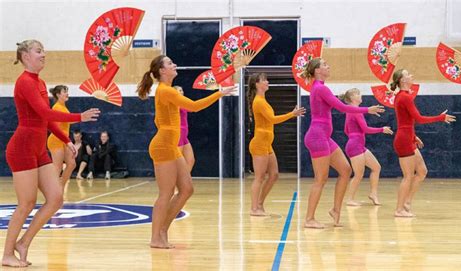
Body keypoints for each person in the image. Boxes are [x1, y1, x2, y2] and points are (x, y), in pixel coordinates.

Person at [2, 40, 99, 267]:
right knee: (26, 203)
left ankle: (23, 243)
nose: (43, 54)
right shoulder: (24, 82)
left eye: (43, 50)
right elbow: (46, 111)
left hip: (38, 148)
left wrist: (66, 140)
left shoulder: (41, 82)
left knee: (55, 199)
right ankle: (7, 254)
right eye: (39, 51)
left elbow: (44, 119)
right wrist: (78, 117)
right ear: (26, 56)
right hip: (22, 148)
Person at [136, 55, 235, 249]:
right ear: (162, 71)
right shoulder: (165, 91)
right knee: (166, 193)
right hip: (163, 146)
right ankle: (156, 237)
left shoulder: (167, 91)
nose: (175, 65)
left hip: (170, 146)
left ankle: (163, 229)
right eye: (170, 63)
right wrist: (219, 93)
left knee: (187, 189)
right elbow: (194, 107)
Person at [301, 58, 384, 229]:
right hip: (317, 137)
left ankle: (335, 210)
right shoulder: (320, 88)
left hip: (324, 137)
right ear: (317, 71)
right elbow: (343, 108)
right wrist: (367, 109)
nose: (328, 65)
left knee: (346, 170)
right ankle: (309, 219)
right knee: (321, 179)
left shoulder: (321, 88)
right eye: (324, 64)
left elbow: (335, 104)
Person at [390, 69, 455, 217]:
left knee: (422, 171)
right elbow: (418, 118)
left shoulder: (403, 96)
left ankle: (406, 202)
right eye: (408, 74)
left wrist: (414, 136)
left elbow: (407, 121)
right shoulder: (404, 97)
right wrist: (440, 117)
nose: (412, 75)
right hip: (404, 140)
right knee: (408, 176)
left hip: (408, 137)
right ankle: (399, 210)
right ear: (402, 80)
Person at [247, 73, 305, 216]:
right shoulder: (259, 101)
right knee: (259, 177)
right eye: (264, 80)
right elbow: (272, 119)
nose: (267, 82)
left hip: (267, 144)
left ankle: (260, 203)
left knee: (274, 175)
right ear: (257, 84)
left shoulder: (263, 100)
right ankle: (254, 209)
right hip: (259, 143)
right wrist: (292, 114)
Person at [338, 88, 393, 206]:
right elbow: (365, 129)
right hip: (355, 146)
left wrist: (354, 137)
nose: (360, 95)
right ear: (353, 98)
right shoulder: (356, 111)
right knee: (358, 174)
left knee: (376, 167)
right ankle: (350, 199)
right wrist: (382, 129)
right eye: (358, 94)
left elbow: (346, 130)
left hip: (358, 145)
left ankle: (373, 194)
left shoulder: (350, 111)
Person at [46, 85, 76, 186]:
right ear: (58, 94)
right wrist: (82, 117)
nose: (67, 93)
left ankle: (60, 186)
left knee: (71, 164)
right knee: (57, 168)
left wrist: (81, 118)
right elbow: (64, 121)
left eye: (67, 91)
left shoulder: (63, 107)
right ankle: (52, 190)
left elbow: (67, 121)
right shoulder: (57, 107)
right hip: (56, 140)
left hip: (64, 140)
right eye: (64, 91)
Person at [174, 86, 195, 172]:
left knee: (190, 160)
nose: (182, 92)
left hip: (184, 135)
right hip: (178, 133)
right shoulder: (176, 103)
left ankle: (184, 179)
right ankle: (174, 181)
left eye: (182, 90)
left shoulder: (182, 102)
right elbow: (193, 108)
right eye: (179, 90)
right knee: (178, 161)